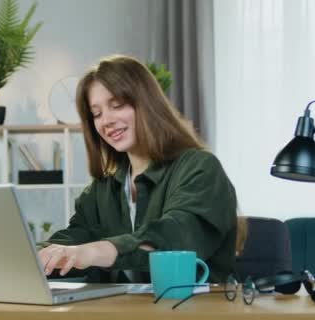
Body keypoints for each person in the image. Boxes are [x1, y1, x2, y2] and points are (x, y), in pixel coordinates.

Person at [37, 55, 239, 283]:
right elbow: (75, 238)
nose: (106, 121)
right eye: (97, 114)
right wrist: (34, 254)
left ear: (148, 104)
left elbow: (176, 235)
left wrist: (97, 251)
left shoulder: (200, 168)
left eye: (117, 105)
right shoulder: (103, 189)